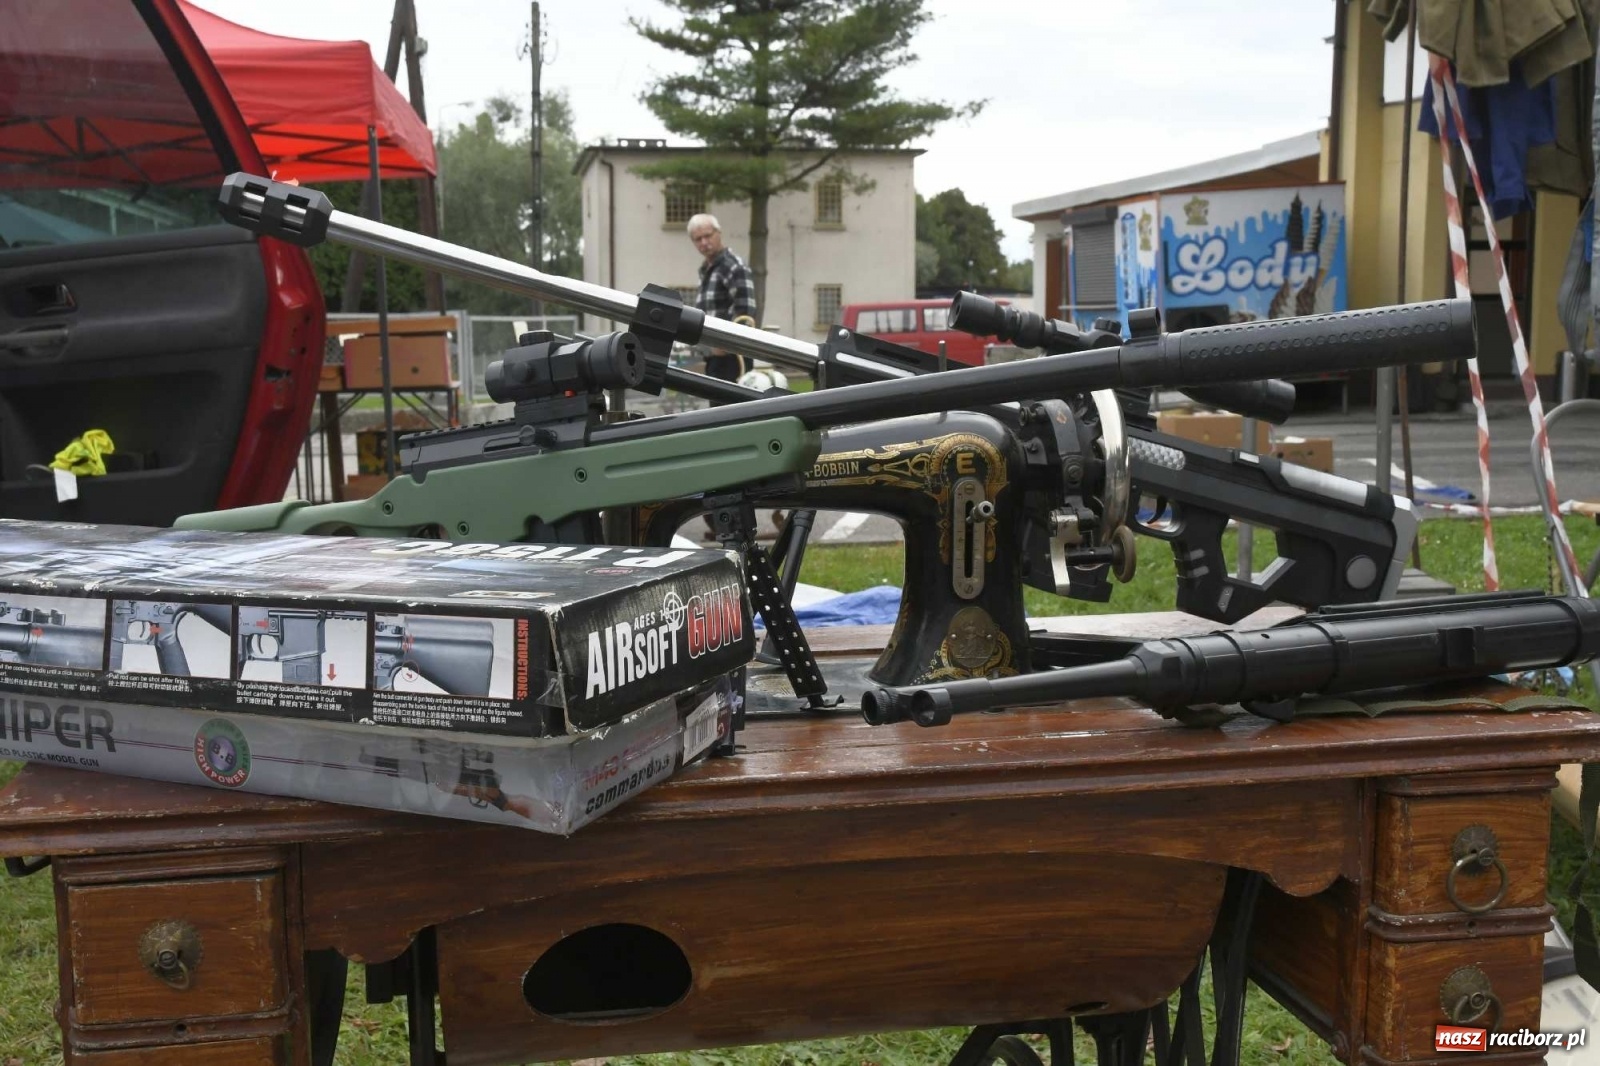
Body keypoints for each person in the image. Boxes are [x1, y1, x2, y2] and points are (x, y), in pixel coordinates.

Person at [687, 213, 757, 382]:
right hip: (714, 356)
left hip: (733, 357)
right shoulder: (706, 269)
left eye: (707, 236)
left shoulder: (733, 266)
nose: (704, 243)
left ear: (719, 233)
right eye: (698, 239)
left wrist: (725, 347)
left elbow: (745, 313)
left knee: (734, 408)